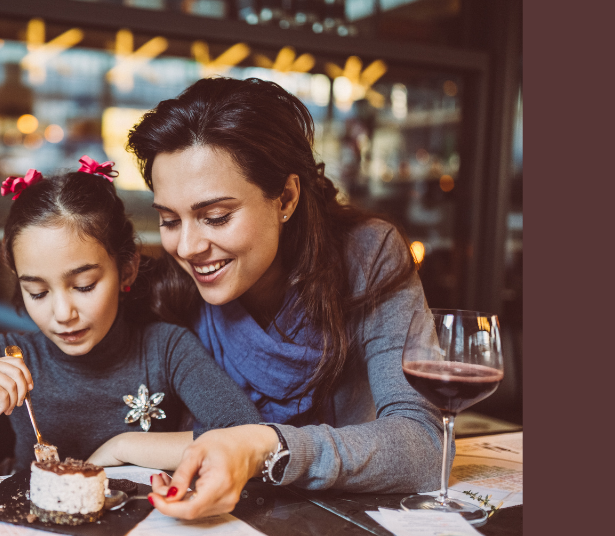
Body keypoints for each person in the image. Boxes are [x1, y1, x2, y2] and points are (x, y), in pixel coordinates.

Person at [121, 77, 442, 518]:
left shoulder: (368, 254)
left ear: (285, 197)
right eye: (169, 220)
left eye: (215, 217)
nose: (188, 247)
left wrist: (265, 446)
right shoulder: (168, 288)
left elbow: (423, 446)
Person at [0, 157, 262, 473]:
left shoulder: (165, 349)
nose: (63, 313)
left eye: (83, 286)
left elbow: (248, 437)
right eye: (38, 292)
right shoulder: (14, 356)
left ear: (127, 269)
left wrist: (124, 447)